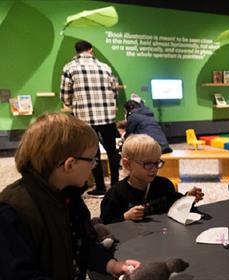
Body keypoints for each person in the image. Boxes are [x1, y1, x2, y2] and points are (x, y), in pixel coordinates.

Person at [0, 113, 140, 279]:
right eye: (92, 161)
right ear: (70, 164)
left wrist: (111, 265)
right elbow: (18, 274)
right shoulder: (11, 211)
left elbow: (83, 244)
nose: (94, 167)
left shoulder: (69, 196)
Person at [100, 134, 204, 224]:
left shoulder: (164, 185)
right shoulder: (115, 194)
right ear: (127, 164)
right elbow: (106, 224)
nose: (154, 169)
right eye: (148, 164)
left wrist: (188, 199)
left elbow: (176, 206)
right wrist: (125, 217)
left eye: (156, 163)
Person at [60, 40, 120, 196]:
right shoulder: (105, 67)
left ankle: (100, 187)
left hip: (84, 118)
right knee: (112, 151)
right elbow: (115, 91)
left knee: (93, 153)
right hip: (107, 116)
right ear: (91, 50)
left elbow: (65, 96)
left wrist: (72, 103)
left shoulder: (69, 68)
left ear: (77, 51)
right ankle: (115, 185)